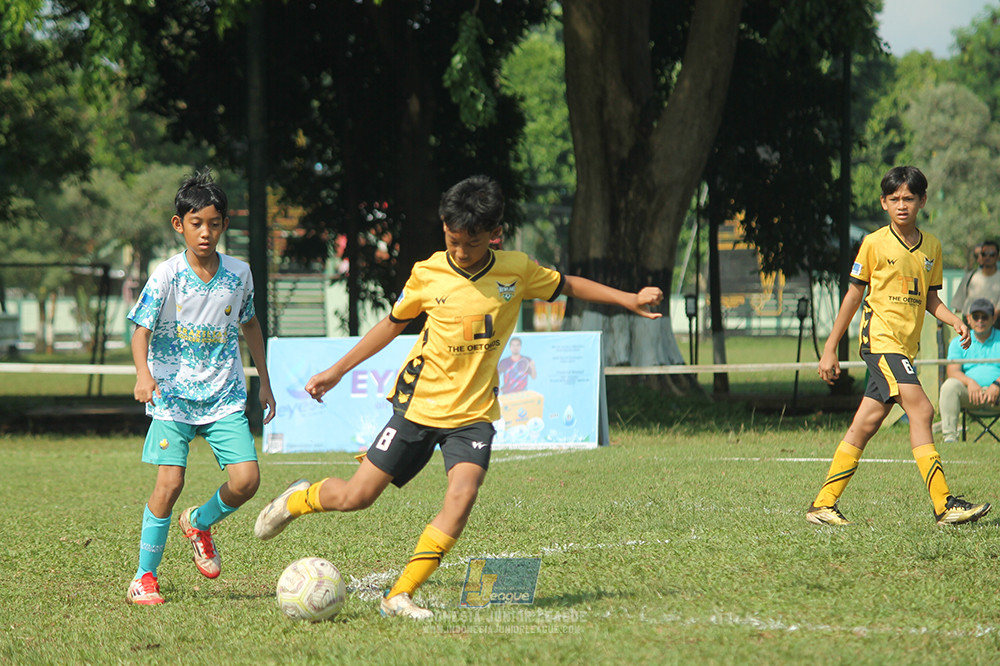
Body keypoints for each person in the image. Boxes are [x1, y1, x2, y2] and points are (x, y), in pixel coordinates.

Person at [254, 175, 663, 619]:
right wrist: (335, 371)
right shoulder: (428, 273)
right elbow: (391, 325)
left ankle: (400, 594)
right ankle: (297, 498)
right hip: (419, 405)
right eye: (452, 241)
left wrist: (629, 299)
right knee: (358, 497)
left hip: (473, 412)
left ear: (494, 235)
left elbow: (567, 285)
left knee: (462, 496)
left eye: (471, 243)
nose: (461, 251)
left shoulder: (517, 269)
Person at [808, 166, 990, 527]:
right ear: (883, 203)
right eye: (894, 199)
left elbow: (930, 299)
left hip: (904, 350)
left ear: (922, 200)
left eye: (908, 198)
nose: (901, 205)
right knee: (922, 410)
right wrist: (831, 347)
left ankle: (822, 505)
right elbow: (853, 296)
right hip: (881, 342)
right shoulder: (874, 243)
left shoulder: (932, 247)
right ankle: (944, 505)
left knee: (866, 423)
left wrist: (954, 320)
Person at [126, 170, 276, 605]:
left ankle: (200, 522)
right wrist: (143, 374)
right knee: (168, 484)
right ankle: (144, 577)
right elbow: (140, 330)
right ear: (179, 226)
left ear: (224, 225)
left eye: (213, 223)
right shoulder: (167, 275)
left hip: (224, 394)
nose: (205, 232)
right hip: (172, 397)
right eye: (196, 223)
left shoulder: (239, 274)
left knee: (247, 480)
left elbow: (249, 323)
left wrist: (264, 382)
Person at [939, 298, 1000, 443]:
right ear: (968, 318)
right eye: (976, 317)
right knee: (949, 386)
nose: (980, 321)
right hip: (971, 395)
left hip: (998, 395)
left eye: (984, 317)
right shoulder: (958, 342)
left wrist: (997, 385)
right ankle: (950, 439)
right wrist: (970, 382)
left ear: (993, 318)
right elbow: (952, 372)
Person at [950, 240, 1000, 319]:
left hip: (990, 325)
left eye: (992, 254)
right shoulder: (970, 276)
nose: (988, 257)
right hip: (967, 323)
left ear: (998, 256)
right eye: (984, 254)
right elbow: (958, 306)